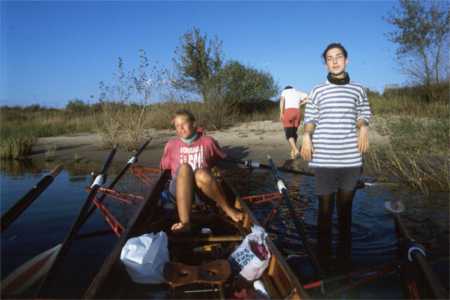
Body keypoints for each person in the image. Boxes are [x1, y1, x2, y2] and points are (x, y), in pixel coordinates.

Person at [300, 43, 372, 272]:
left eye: (338, 57)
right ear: (325, 63)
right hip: (324, 158)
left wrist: (363, 128)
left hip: (351, 159)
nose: (334, 61)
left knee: (345, 211)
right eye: (329, 58)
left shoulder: (359, 89)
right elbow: (310, 119)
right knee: (324, 211)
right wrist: (306, 136)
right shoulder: (317, 91)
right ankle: (323, 263)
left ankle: (345, 263)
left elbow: (363, 114)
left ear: (346, 60)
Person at [160, 109, 243, 233]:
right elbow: (164, 167)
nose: (181, 128)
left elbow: (222, 160)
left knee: (201, 173)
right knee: (185, 168)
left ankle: (228, 209)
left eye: (184, 124)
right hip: (178, 192)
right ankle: (185, 222)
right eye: (177, 126)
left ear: (193, 124)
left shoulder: (208, 142)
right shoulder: (171, 145)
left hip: (204, 193)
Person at [279, 86, 308, 159]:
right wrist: (300, 104)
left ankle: (295, 150)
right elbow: (308, 98)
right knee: (293, 133)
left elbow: (282, 101)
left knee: (288, 134)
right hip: (297, 112)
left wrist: (281, 112)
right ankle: (293, 154)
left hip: (288, 112)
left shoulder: (285, 91)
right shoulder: (298, 92)